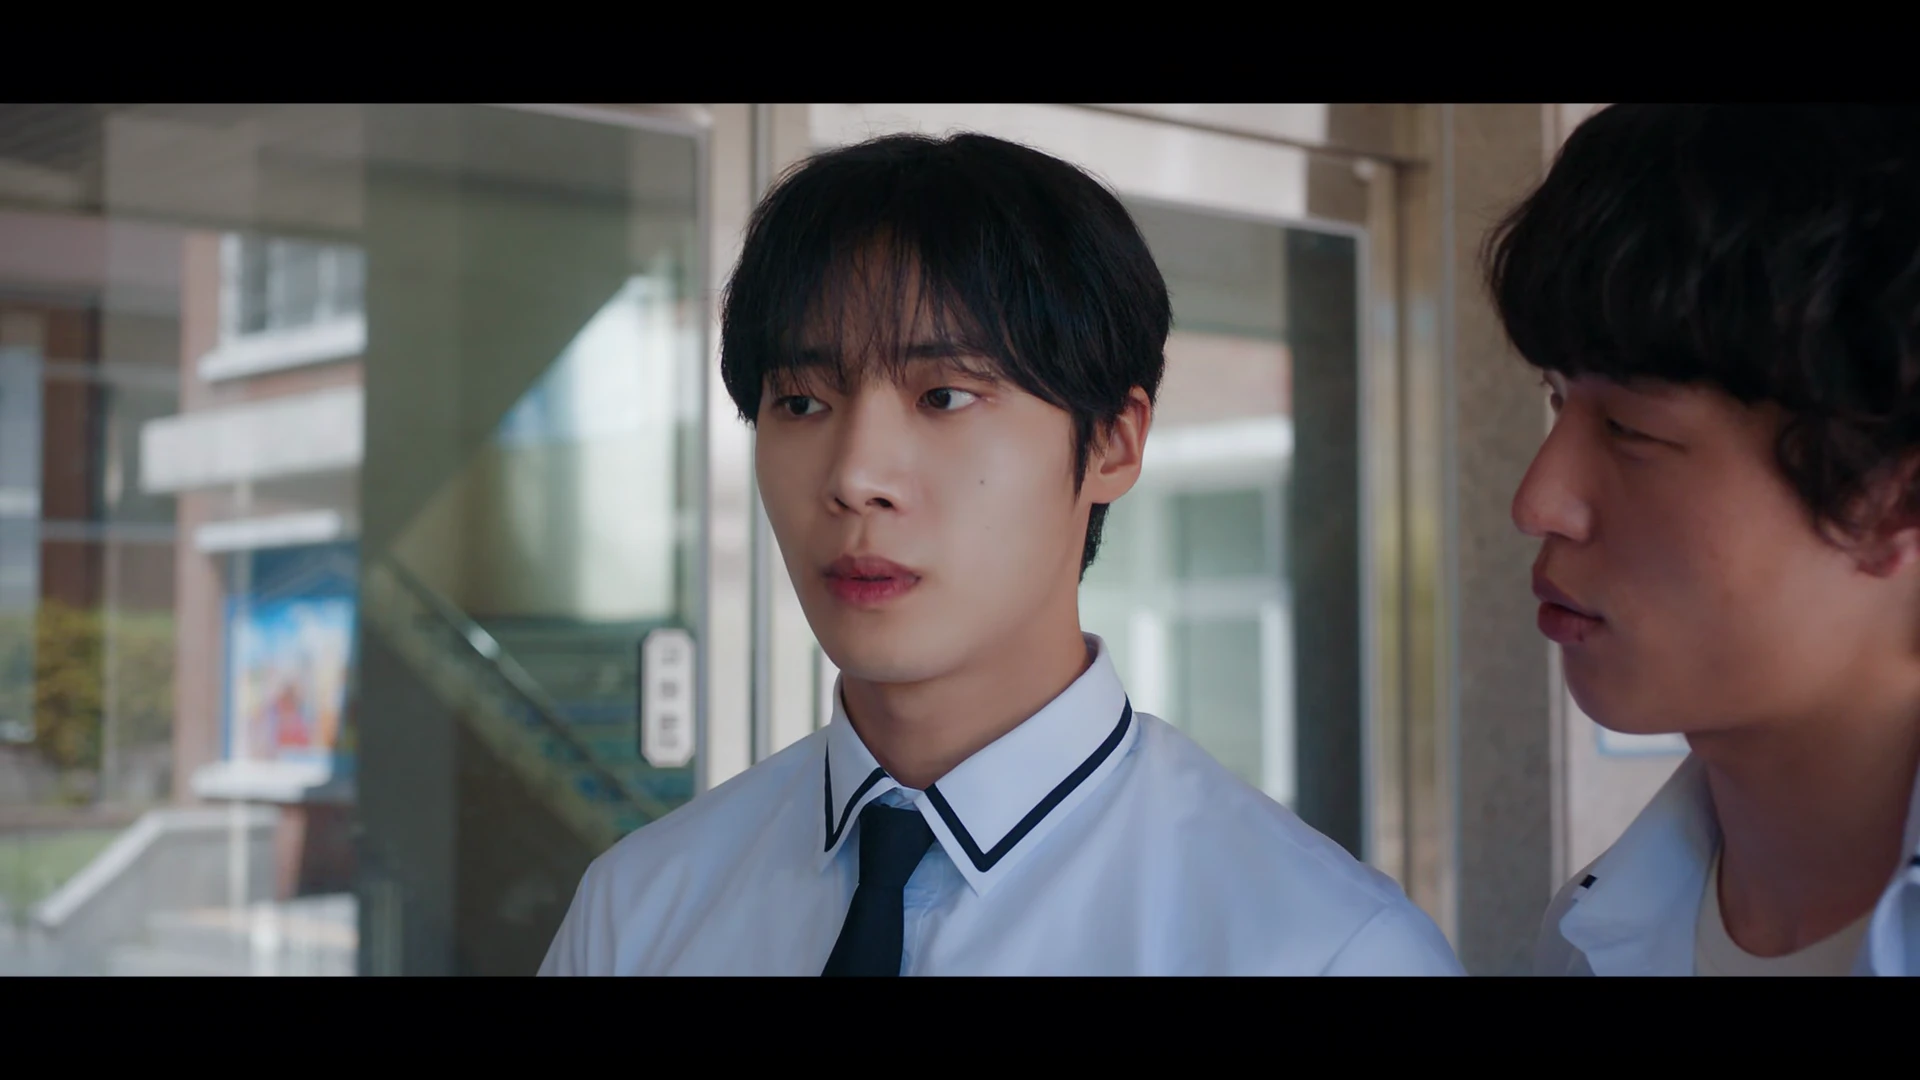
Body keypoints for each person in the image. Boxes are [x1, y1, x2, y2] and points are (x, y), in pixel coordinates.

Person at [537, 131, 1462, 976]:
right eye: (802, 402)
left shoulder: (1319, 947)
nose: (856, 477)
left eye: (943, 396)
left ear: (1113, 443)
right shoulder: (639, 913)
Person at [1489, 104, 1920, 976]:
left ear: (1892, 500)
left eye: (1631, 430)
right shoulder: (1582, 936)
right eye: (1558, 399)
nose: (1539, 502)